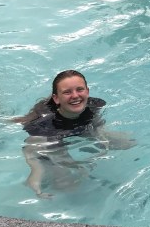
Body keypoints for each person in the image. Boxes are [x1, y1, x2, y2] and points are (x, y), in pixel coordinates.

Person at [12, 70, 135, 198]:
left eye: (80, 89)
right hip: (54, 137)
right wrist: (35, 179)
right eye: (67, 92)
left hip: (77, 128)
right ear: (56, 98)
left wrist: (102, 140)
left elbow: (97, 128)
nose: (75, 96)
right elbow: (31, 152)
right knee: (67, 184)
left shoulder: (94, 105)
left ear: (87, 91)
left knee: (127, 143)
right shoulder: (43, 125)